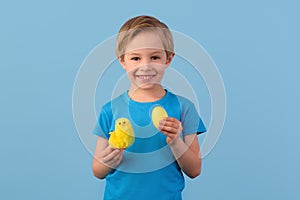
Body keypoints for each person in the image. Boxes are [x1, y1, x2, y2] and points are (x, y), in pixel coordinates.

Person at [92, 15, 206, 200]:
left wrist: (176, 141)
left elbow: (194, 170)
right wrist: (108, 160)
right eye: (135, 58)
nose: (145, 66)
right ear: (122, 61)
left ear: (168, 59)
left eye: (154, 57)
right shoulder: (110, 110)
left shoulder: (184, 108)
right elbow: (97, 171)